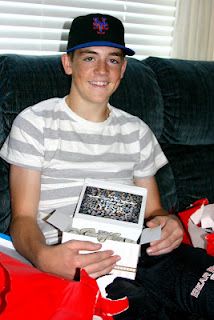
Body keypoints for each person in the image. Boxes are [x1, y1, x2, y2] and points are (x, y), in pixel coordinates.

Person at [0, 13, 182, 286]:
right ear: (68, 63)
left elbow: (153, 212)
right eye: (89, 58)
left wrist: (169, 226)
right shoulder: (34, 123)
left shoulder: (137, 131)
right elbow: (24, 218)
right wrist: (43, 256)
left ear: (122, 69)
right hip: (67, 258)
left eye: (112, 60)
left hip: (135, 253)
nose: (102, 70)